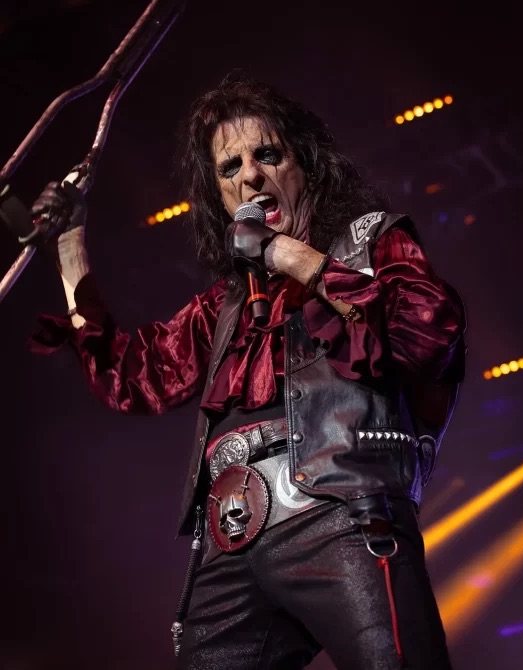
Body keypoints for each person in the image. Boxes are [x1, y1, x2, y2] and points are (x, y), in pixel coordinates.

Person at [29, 72, 466, 670]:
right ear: (219, 197)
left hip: (342, 513)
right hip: (230, 544)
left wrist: (287, 254)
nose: (250, 176)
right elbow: (134, 377)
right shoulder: (225, 304)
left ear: (306, 165)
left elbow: (428, 331)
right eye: (230, 168)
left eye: (268, 155)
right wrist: (69, 243)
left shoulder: (369, 243)